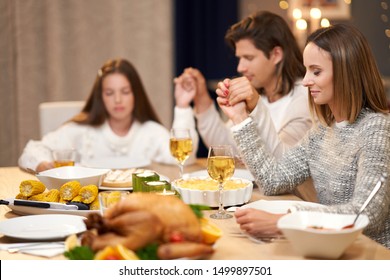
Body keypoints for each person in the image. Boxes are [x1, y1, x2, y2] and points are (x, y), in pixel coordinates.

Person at [217, 24, 390, 248]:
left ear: (347, 71)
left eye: (316, 71)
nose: (306, 81)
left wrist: (286, 221)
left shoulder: (377, 128)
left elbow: (367, 213)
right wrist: (240, 119)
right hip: (329, 249)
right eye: (307, 70)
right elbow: (273, 181)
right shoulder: (321, 131)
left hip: (369, 257)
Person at [19, 58, 198, 172]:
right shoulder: (81, 130)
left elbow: (185, 159)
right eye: (110, 93)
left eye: (125, 92)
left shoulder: (150, 132)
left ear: (136, 94)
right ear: (100, 97)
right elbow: (32, 150)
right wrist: (44, 165)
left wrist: (182, 106)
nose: (118, 100)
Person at [174, 11, 312, 158]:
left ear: (276, 55)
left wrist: (255, 106)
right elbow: (225, 147)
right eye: (240, 58)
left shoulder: (304, 98)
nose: (240, 68)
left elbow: (282, 165)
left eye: (249, 57)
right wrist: (201, 97)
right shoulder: (259, 95)